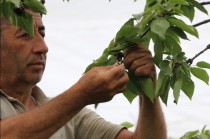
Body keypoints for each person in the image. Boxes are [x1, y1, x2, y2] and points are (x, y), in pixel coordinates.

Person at [0, 8, 167, 139]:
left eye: (42, 34)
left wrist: (148, 86)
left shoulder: (71, 117)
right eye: (24, 35)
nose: (43, 47)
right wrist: (81, 95)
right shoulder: (68, 108)